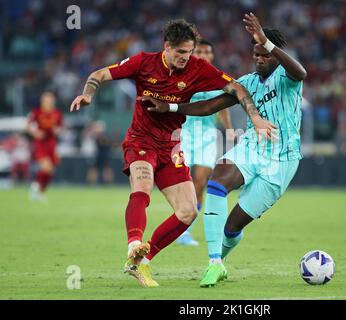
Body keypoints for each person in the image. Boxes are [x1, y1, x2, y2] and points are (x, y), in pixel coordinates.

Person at [69, 19, 276, 287]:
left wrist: (255, 117)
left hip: (171, 146)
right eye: (180, 52)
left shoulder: (198, 68)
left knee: (188, 211)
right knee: (142, 186)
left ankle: (141, 262)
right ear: (166, 47)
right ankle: (134, 243)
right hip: (140, 140)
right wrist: (88, 95)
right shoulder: (143, 62)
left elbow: (237, 89)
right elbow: (98, 75)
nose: (185, 57)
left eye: (189, 52)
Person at [143, 13, 307, 287]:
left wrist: (267, 42)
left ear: (275, 54)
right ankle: (214, 261)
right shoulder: (248, 82)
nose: (259, 59)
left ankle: (222, 261)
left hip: (283, 161)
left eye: (264, 54)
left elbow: (302, 72)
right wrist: (171, 107)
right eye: (255, 54)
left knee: (232, 228)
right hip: (252, 148)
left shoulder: (288, 77)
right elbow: (210, 106)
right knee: (217, 183)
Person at [177, 39, 235, 246]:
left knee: (200, 182)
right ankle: (179, 222)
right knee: (182, 182)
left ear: (212, 55)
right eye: (198, 51)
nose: (202, 54)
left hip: (207, 136)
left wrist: (229, 129)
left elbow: (224, 106)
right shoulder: (182, 74)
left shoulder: (217, 78)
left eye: (206, 51)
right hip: (183, 133)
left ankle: (185, 230)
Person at [26, 91, 63, 201]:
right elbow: (28, 126)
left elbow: (60, 127)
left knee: (51, 171)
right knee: (46, 167)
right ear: (42, 101)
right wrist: (35, 132)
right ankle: (35, 187)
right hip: (40, 143)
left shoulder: (57, 113)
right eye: (46, 100)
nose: (49, 102)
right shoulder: (37, 112)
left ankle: (40, 193)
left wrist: (58, 131)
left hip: (51, 143)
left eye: (51, 100)